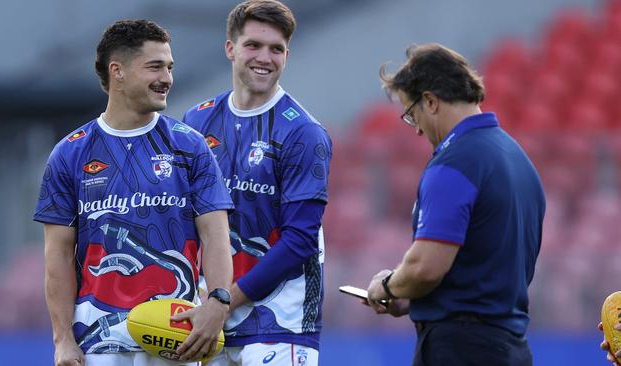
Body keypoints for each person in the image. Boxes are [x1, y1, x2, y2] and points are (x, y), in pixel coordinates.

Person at [33, 19, 234, 366]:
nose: (167, 78)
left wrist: (217, 304)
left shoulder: (190, 146)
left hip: (175, 338)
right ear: (118, 72)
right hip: (99, 345)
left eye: (169, 67)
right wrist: (63, 340)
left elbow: (216, 235)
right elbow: (58, 258)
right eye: (154, 66)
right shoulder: (70, 153)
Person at [365, 43, 545, 366]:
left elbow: (425, 266)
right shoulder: (518, 159)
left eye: (411, 114)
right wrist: (411, 297)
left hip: (460, 350)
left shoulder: (454, 163)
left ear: (430, 101)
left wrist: (388, 287)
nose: (417, 130)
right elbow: (482, 270)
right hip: (512, 348)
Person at [176, 1, 332, 365]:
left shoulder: (303, 132)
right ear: (230, 49)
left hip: (280, 323)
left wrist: (224, 300)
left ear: (287, 56)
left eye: (276, 49)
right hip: (208, 321)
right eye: (254, 45)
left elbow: (300, 242)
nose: (265, 57)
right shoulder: (196, 122)